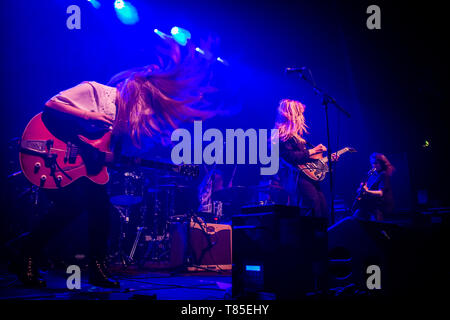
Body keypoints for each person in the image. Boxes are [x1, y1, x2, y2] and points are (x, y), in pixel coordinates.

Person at [8, 40, 217, 288]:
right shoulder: (96, 92)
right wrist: (89, 115)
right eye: (148, 108)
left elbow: (103, 157)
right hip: (47, 150)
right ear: (140, 95)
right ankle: (28, 252)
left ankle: (93, 268)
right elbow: (51, 105)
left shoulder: (122, 126)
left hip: (74, 169)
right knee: (81, 205)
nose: (147, 116)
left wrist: (110, 159)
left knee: (96, 207)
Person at [274, 99, 337, 220]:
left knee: (323, 209)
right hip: (298, 179)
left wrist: (326, 160)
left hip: (309, 178)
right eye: (299, 113)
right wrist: (312, 151)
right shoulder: (281, 135)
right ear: (290, 114)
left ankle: (322, 236)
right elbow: (289, 157)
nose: (302, 117)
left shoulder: (298, 137)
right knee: (313, 209)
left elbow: (306, 162)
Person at [353, 153, 395, 221]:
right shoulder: (372, 175)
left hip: (379, 207)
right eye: (372, 163)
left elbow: (381, 193)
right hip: (369, 206)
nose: (373, 165)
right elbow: (366, 188)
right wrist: (361, 189)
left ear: (382, 163)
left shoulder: (384, 174)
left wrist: (367, 191)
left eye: (376, 163)